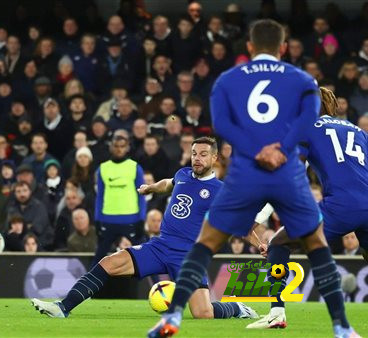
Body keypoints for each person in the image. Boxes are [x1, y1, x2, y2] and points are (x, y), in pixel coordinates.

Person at [148, 20, 356, 338]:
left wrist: (254, 151)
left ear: (249, 47)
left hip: (247, 172)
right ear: (283, 49)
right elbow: (306, 125)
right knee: (316, 245)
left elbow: (221, 124)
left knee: (204, 243)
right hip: (286, 172)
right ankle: (342, 328)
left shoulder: (229, 79)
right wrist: (280, 151)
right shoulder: (300, 79)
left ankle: (172, 317)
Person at [32, 137, 257, 320]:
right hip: (159, 246)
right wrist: (150, 188)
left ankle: (236, 309)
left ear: (215, 157)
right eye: (195, 154)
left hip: (188, 256)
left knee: (203, 313)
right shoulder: (183, 175)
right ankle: (63, 308)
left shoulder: (220, 190)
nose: (197, 159)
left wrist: (260, 244)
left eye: (203, 155)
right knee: (108, 263)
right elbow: (167, 183)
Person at [247, 87, 368, 330]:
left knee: (279, 242)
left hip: (341, 205)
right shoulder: (359, 131)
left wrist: (260, 217)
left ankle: (277, 312)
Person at [91, 132, 146, 265]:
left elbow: (142, 195)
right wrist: (97, 219)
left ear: (127, 147)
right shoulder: (103, 168)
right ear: (111, 147)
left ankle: (160, 285)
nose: (119, 149)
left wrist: (141, 219)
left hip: (131, 219)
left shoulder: (135, 167)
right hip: (107, 219)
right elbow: (100, 196)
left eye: (122, 146)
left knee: (145, 258)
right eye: (116, 146)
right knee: (99, 260)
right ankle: (87, 286)